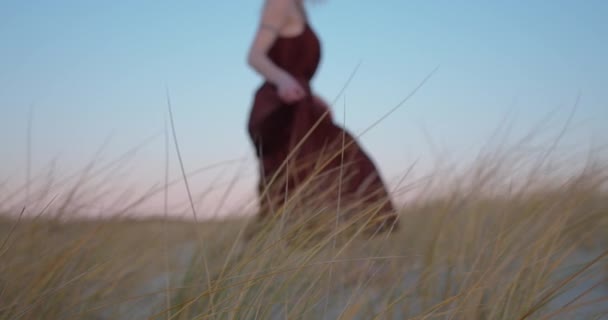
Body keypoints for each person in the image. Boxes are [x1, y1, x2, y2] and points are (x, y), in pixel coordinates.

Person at [245, 0, 398, 240]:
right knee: (299, 174)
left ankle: (314, 245)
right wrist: (283, 80)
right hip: (280, 107)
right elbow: (254, 56)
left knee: (322, 169)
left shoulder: (299, 9)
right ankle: (280, 248)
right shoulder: (279, 3)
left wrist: (314, 97)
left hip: (301, 102)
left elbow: (294, 66)